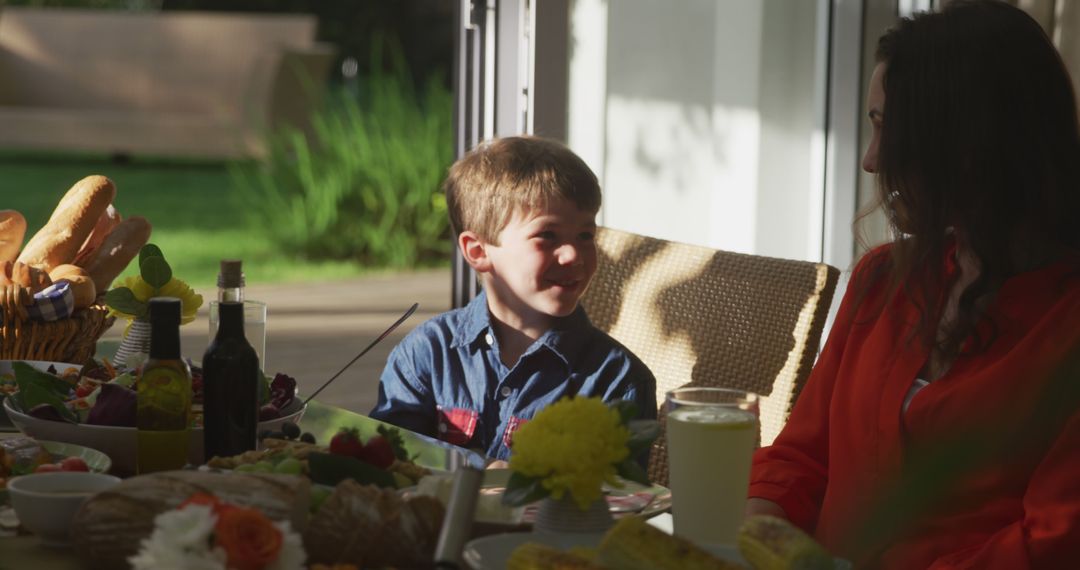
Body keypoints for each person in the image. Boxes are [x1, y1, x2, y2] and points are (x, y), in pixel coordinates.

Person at [746, 1, 1080, 567]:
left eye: (889, 131)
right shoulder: (883, 280)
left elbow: (1051, 545)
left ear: (974, 147)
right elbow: (799, 458)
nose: (873, 161)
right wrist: (762, 532)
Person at [370, 136, 657, 461]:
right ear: (478, 252)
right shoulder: (426, 355)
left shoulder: (616, 379)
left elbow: (613, 501)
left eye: (585, 235)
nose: (573, 254)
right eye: (547, 235)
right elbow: (389, 466)